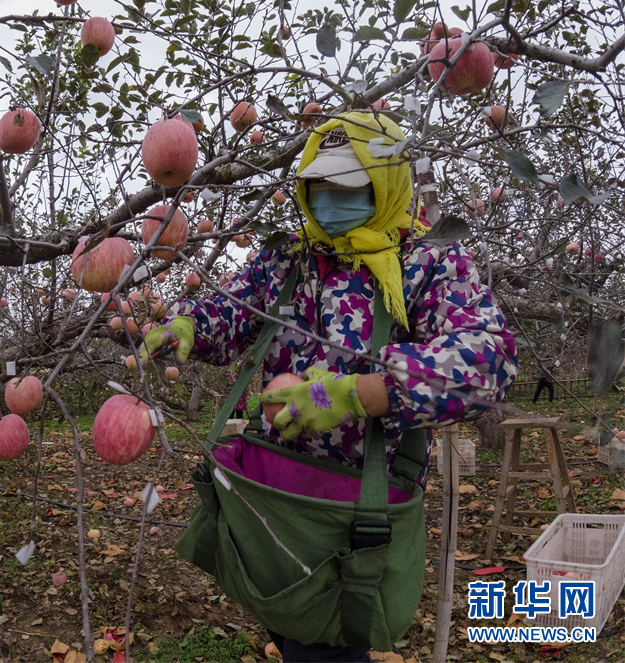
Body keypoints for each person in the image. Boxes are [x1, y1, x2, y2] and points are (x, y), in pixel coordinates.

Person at [139, 111, 518, 662]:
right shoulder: (290, 256)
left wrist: (357, 393)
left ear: (386, 182)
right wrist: (190, 325)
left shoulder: (426, 264)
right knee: (289, 621)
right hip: (278, 491)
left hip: (357, 505)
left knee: (327, 639)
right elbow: (234, 307)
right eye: (316, 185)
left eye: (347, 185)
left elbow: (490, 360)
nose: (326, 199)